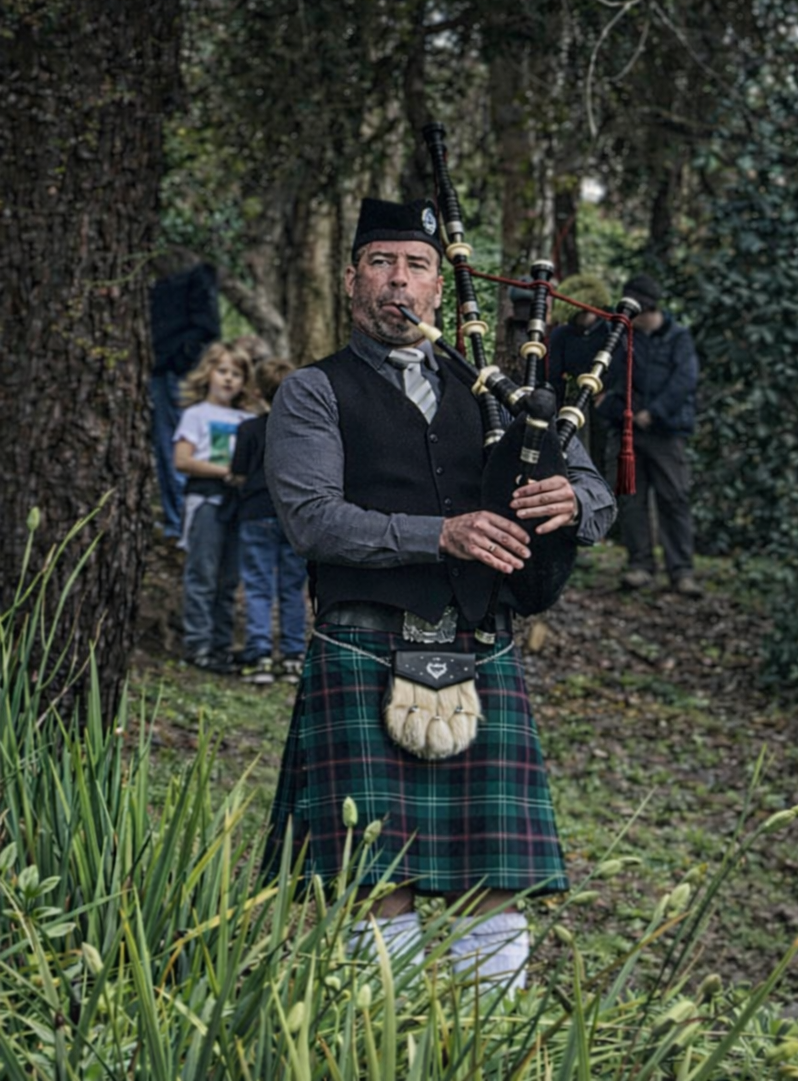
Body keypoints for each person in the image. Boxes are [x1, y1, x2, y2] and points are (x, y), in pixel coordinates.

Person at [263, 198, 616, 989]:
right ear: (352, 279)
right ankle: (378, 1047)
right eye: (382, 263)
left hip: (478, 643)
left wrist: (576, 505)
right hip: (363, 642)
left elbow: (595, 495)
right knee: (373, 877)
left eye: (417, 265)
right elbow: (315, 521)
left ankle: (487, 1046)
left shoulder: (502, 392)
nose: (400, 282)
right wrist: (442, 534)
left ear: (439, 287)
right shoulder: (314, 392)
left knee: (498, 881)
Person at [600, 273, 700, 597]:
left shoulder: (678, 337)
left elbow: (685, 380)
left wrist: (653, 412)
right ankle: (640, 565)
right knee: (631, 500)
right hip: (626, 432)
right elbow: (613, 378)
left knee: (674, 498)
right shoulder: (621, 335)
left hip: (665, 432)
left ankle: (681, 570)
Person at [173, 341, 258, 672]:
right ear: (208, 373)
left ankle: (222, 646)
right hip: (207, 500)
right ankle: (198, 644)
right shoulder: (195, 415)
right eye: (222, 371)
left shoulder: (246, 418)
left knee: (229, 578)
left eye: (236, 374)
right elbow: (182, 460)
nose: (228, 380)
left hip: (238, 504)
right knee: (203, 573)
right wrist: (227, 472)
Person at [232, 358, 309, 685]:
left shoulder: (249, 429)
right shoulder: (303, 430)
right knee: (293, 588)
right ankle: (293, 656)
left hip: (256, 512)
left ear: (257, 392)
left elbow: (237, 473)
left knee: (258, 586)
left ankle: (260, 654)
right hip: (293, 515)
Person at [148, 254, 221, 538]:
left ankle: (185, 524)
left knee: (182, 445)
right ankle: (178, 522)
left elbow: (207, 326)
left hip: (178, 371)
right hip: (167, 369)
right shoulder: (163, 277)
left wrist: (180, 359)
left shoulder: (195, 275)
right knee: (172, 446)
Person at [547, 273, 612, 463]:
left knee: (603, 449)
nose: (583, 317)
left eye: (587, 312)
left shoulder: (609, 332)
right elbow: (553, 373)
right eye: (579, 313)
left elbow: (621, 367)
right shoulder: (562, 335)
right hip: (573, 399)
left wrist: (608, 392)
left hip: (604, 399)